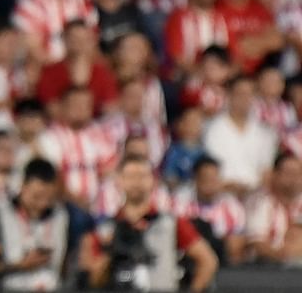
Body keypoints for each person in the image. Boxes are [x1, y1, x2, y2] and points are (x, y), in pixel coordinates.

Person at [79, 154, 218, 292]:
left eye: (142, 176)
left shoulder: (171, 223)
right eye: (130, 176)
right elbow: (92, 280)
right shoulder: (106, 228)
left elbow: (208, 261)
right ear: (119, 181)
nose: (136, 182)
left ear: (153, 181)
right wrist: (111, 251)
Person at [0, 158, 91, 291]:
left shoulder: (63, 215)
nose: (42, 204)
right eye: (36, 197)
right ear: (23, 186)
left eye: (49, 199)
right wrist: (20, 265)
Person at [38, 87, 117, 210]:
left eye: (85, 105)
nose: (81, 109)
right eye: (75, 104)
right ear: (63, 107)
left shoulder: (101, 133)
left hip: (98, 206)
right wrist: (75, 201)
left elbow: (110, 169)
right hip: (64, 207)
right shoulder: (50, 137)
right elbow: (52, 177)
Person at [203, 75, 277, 198]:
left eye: (250, 94)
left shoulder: (265, 133)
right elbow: (209, 170)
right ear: (229, 95)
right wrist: (229, 187)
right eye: (240, 94)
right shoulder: (212, 129)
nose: (245, 99)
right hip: (222, 194)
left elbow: (267, 172)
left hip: (256, 195)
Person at [36, 19, 119, 119]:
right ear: (64, 40)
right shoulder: (50, 72)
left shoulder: (103, 72)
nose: (79, 43)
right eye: (74, 39)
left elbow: (110, 108)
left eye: (84, 39)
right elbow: (52, 111)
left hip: (96, 128)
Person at [172, 155, 247, 265]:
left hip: (224, 265)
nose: (210, 184)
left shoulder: (232, 206)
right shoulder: (180, 203)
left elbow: (237, 244)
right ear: (195, 179)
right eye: (206, 178)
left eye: (214, 178)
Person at [216, 0, 283, 74]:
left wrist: (254, 43)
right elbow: (234, 48)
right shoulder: (216, 8)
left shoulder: (260, 7)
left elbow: (277, 41)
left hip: (260, 74)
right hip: (228, 74)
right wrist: (262, 43)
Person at [164, 0, 229, 77]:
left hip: (221, 78)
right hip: (188, 77)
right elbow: (177, 57)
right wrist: (203, 75)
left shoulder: (224, 16)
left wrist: (222, 75)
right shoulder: (178, 17)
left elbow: (234, 53)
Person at [246, 153, 302, 264]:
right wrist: (284, 256)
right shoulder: (262, 204)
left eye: (298, 173)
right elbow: (257, 243)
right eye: (289, 173)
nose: (294, 179)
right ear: (275, 175)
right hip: (269, 269)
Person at [162, 108, 207, 189]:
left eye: (198, 123)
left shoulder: (204, 152)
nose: (194, 126)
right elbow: (169, 175)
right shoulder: (174, 151)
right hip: (180, 193)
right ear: (181, 125)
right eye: (190, 122)